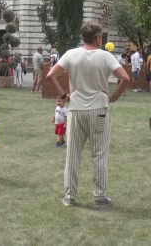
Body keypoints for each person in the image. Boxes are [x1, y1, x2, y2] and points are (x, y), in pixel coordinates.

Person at [47, 22, 130, 208]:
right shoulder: (106, 57)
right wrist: (113, 97)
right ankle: (100, 196)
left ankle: (69, 196)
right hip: (99, 109)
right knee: (99, 154)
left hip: (76, 109)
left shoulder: (71, 54)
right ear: (98, 38)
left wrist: (62, 95)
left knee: (72, 154)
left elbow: (50, 75)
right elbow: (125, 78)